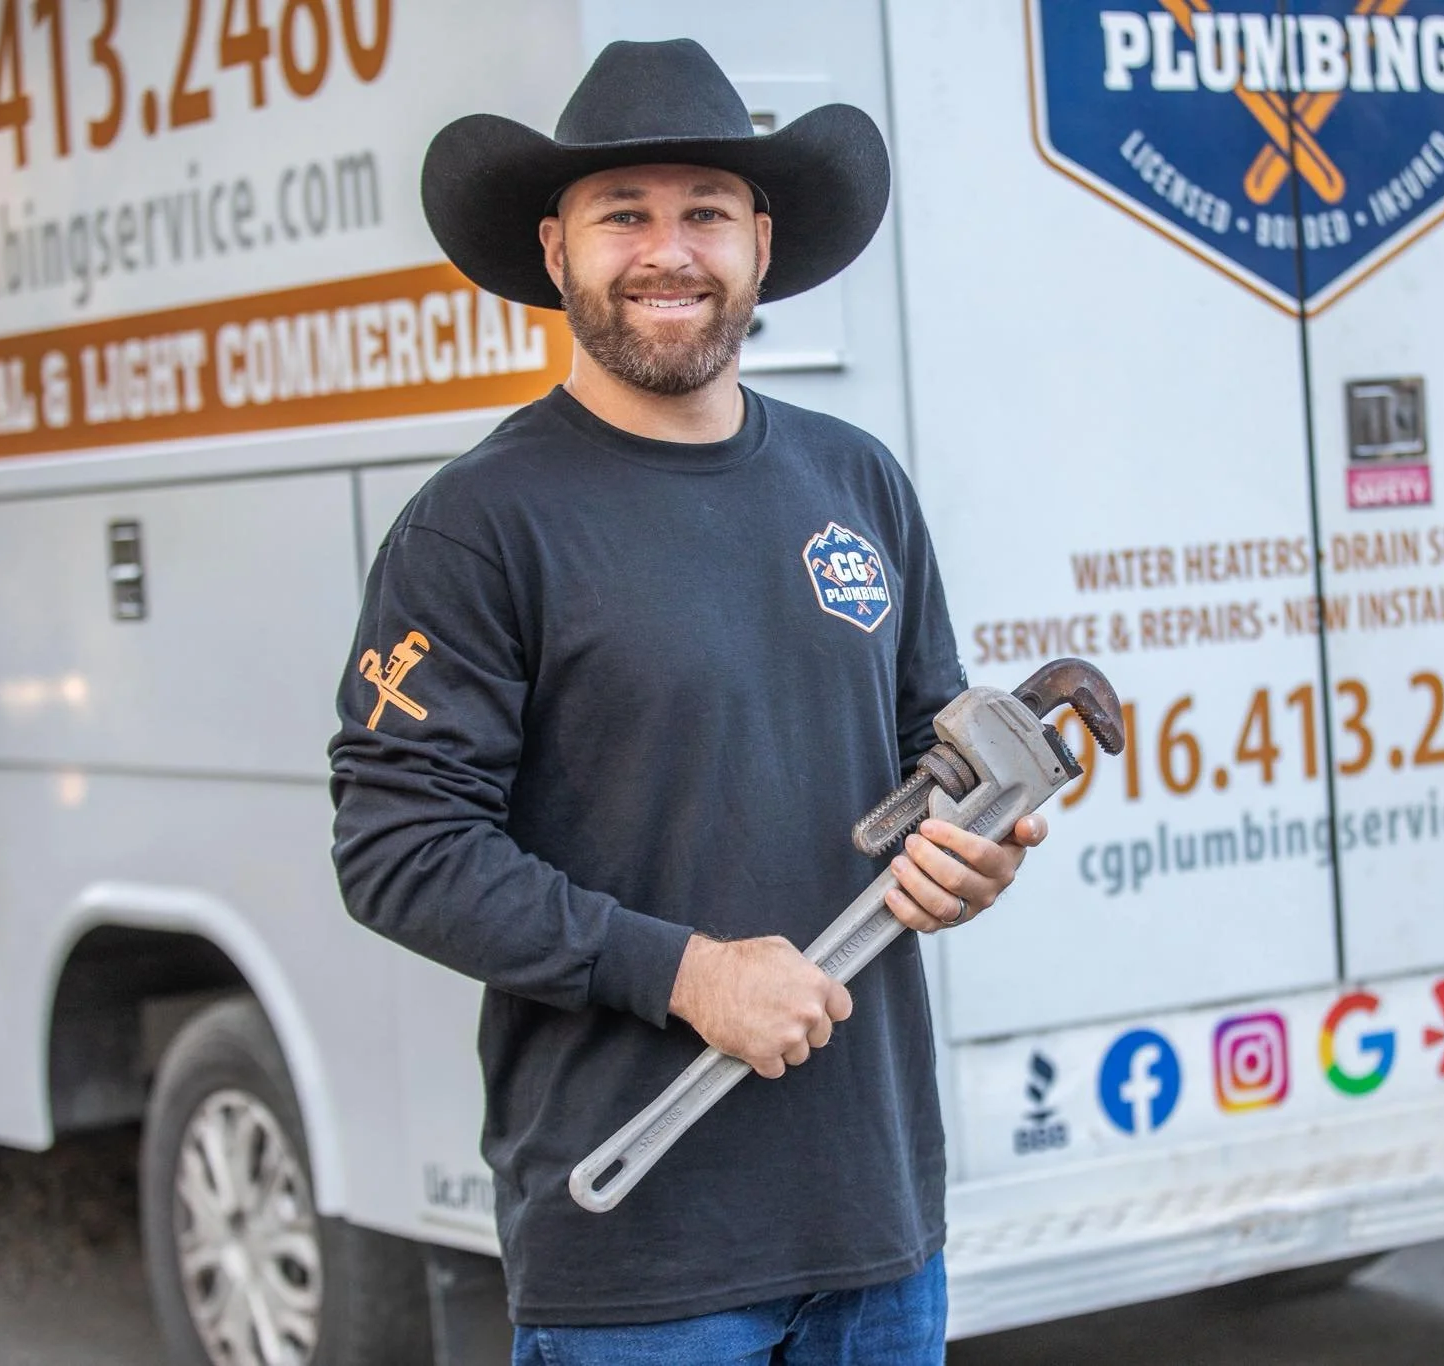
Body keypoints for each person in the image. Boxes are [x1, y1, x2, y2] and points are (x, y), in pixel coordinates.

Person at [328, 39, 1043, 1365]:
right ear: (556, 251)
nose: (669, 251)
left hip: (878, 1227)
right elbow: (396, 848)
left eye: (706, 212)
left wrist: (979, 853)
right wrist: (690, 973)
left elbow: (926, 759)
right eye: (624, 215)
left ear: (761, 245)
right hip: (640, 1256)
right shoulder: (479, 526)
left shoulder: (857, 483)